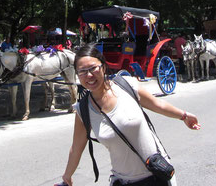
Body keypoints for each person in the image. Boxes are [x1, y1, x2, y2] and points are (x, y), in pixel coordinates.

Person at [60, 44, 200, 186]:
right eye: (82, 71)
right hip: (123, 181)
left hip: (157, 176)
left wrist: (183, 115)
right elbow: (76, 148)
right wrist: (67, 176)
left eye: (93, 68)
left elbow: (157, 104)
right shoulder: (83, 110)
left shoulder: (127, 85)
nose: (89, 75)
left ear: (103, 67)